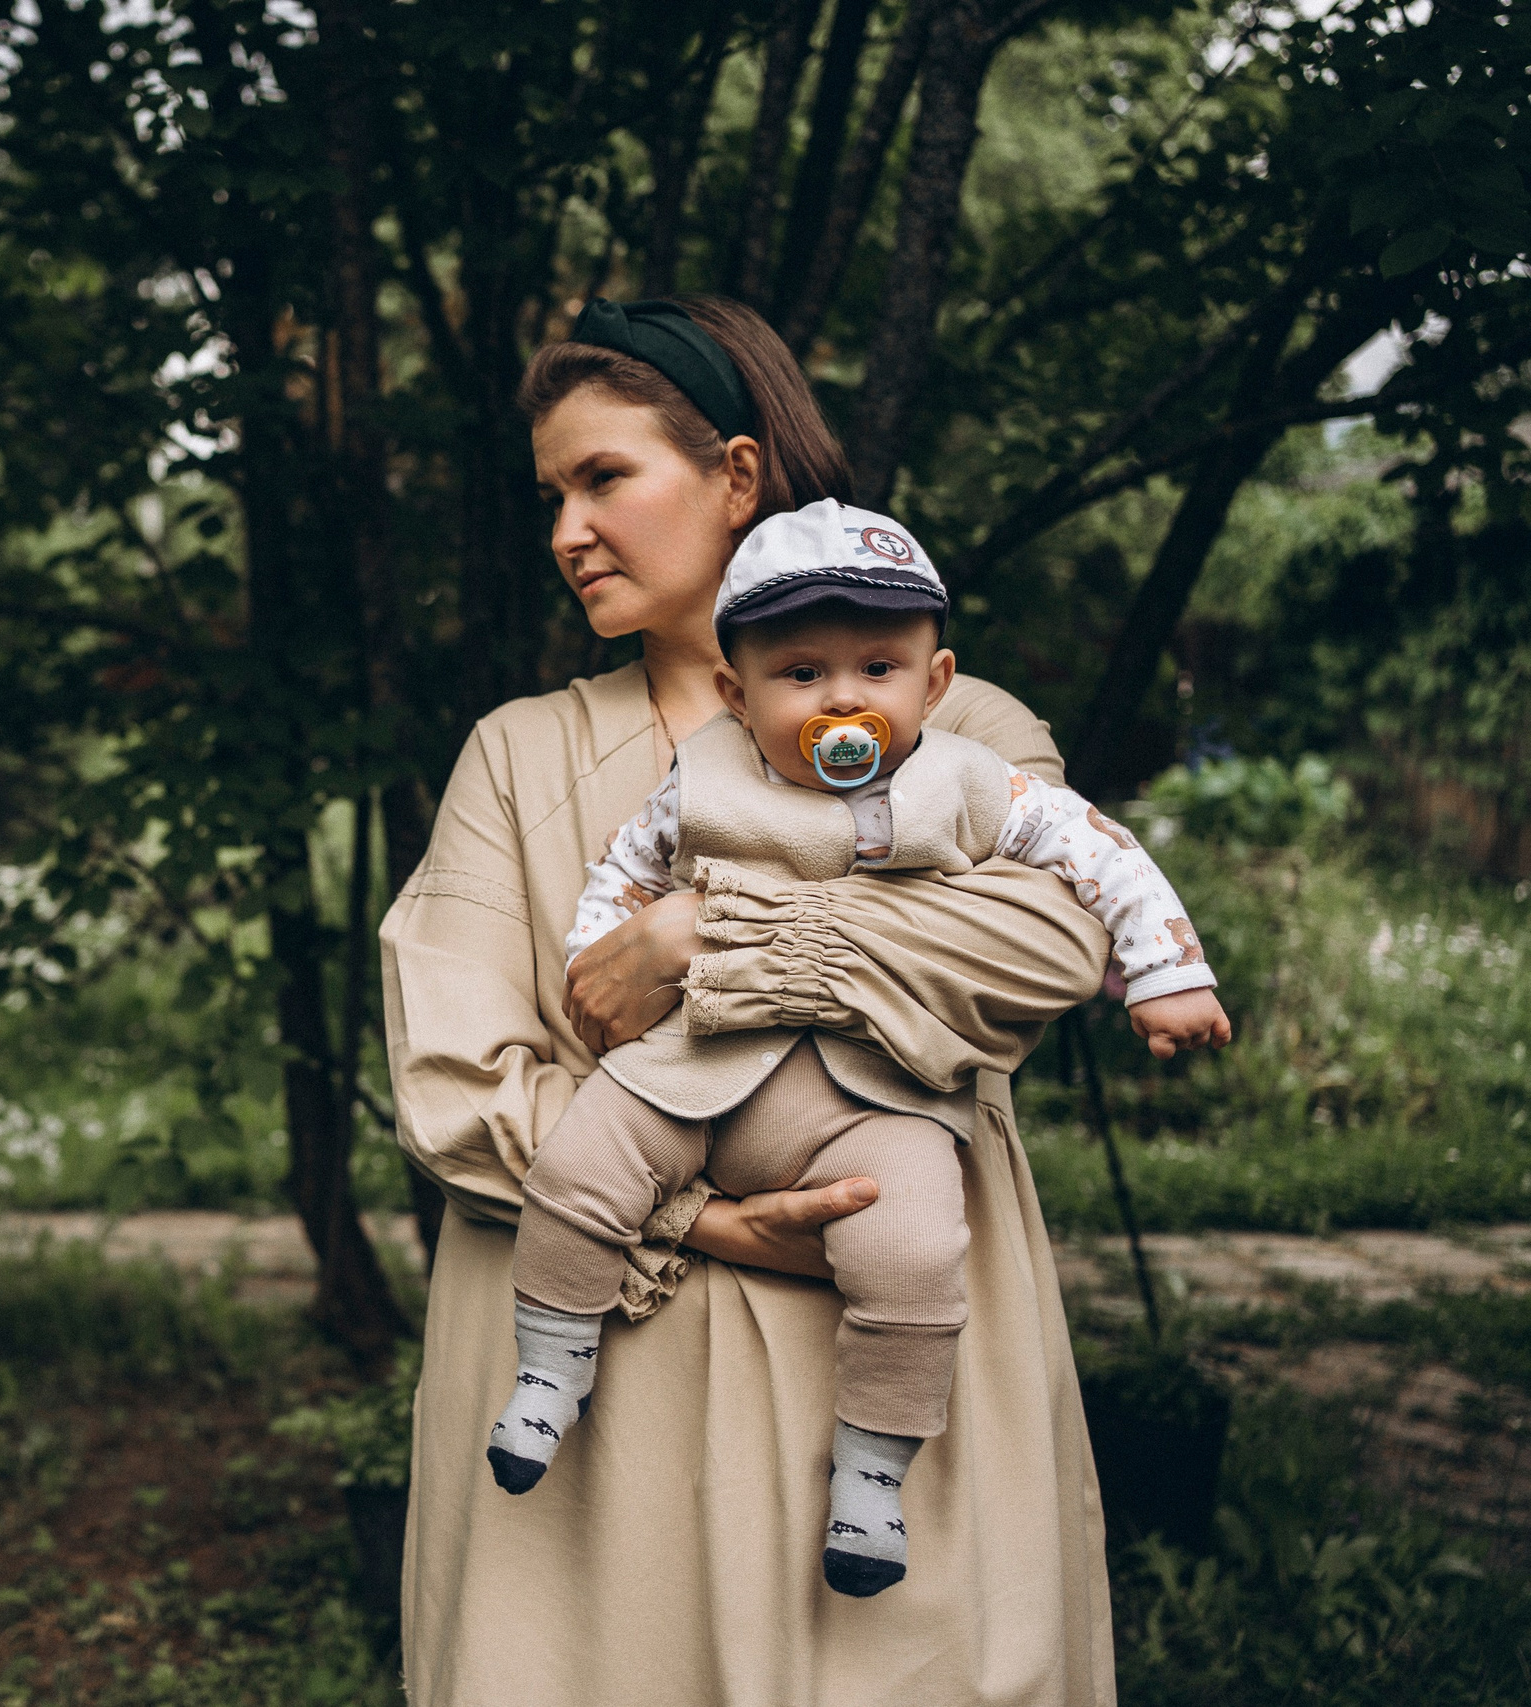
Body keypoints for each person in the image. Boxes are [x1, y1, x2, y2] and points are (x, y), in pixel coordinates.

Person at [380, 296, 1125, 1705]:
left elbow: (1045, 950)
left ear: (733, 473)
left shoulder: (965, 730)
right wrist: (696, 1216)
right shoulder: (519, 756)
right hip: (600, 1385)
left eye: (605, 478)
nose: (566, 531)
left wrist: (696, 940)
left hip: (894, 1362)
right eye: (552, 494)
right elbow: (451, 1073)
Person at [485, 494, 1231, 1605]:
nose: (842, 696)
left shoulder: (974, 782)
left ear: (933, 683)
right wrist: (605, 961)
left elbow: (1101, 857)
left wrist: (1167, 974)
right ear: (737, 694)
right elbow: (623, 877)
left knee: (917, 1256)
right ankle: (550, 1367)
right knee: (578, 1169)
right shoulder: (705, 778)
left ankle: (872, 1475)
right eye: (800, 674)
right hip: (696, 1069)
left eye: (877, 668)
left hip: (877, 1099)